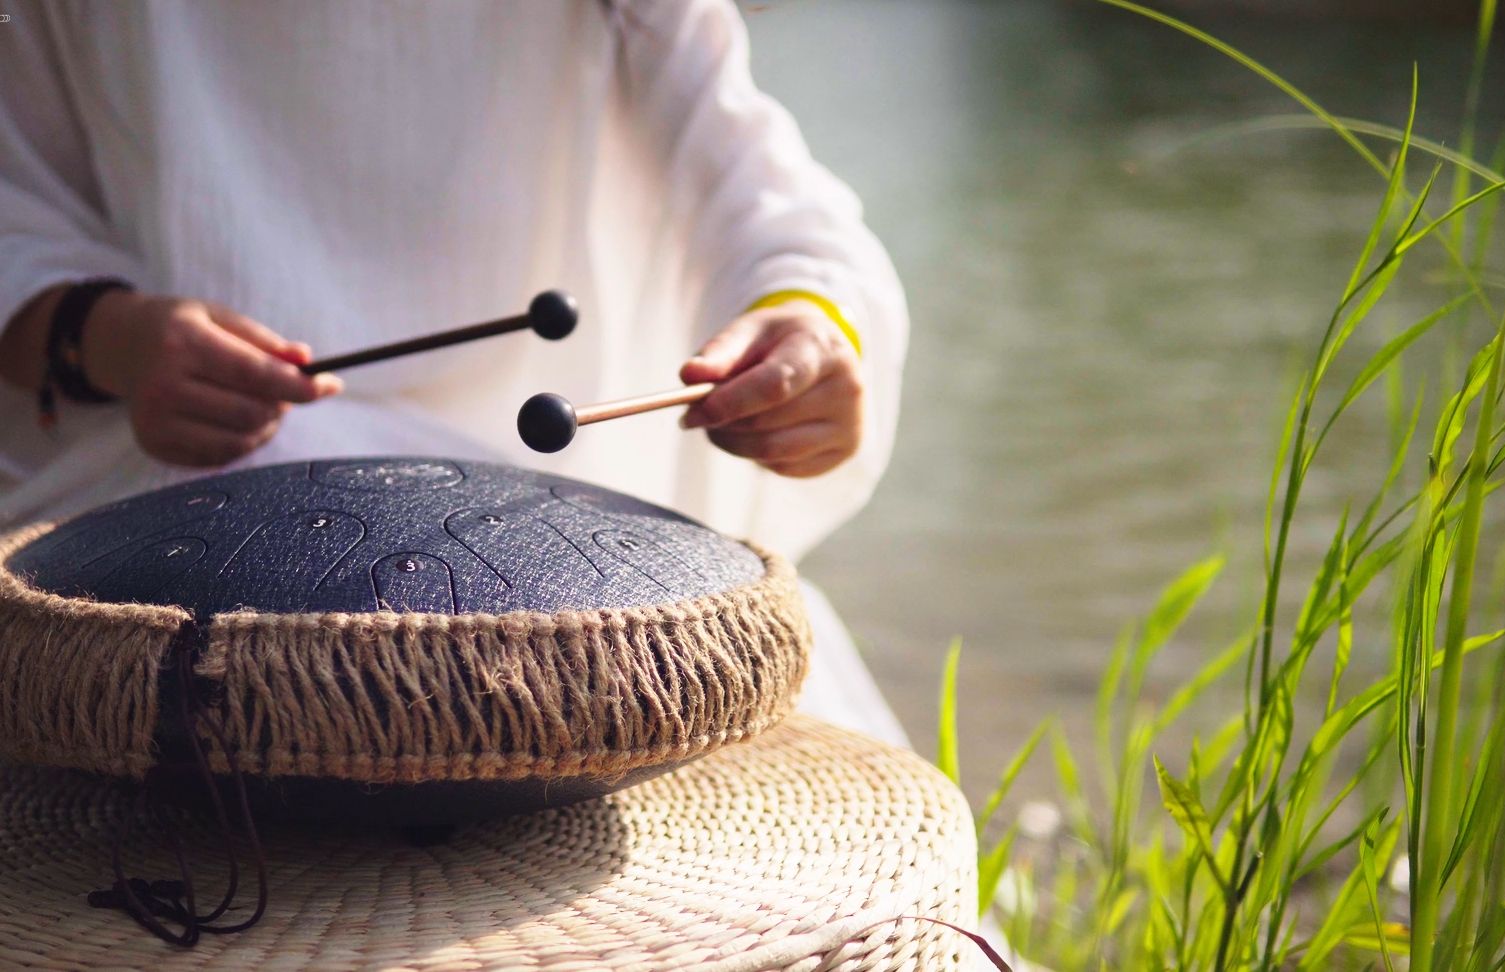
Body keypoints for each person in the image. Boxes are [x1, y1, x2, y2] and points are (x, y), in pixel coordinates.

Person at [0, 1, 909, 745]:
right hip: (165, 539)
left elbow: (762, 190)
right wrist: (105, 333)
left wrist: (812, 322)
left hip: (566, 556)